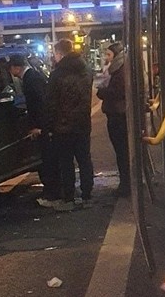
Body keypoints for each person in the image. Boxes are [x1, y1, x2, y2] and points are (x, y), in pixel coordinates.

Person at [44, 37, 94, 212]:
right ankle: (87, 194)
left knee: (66, 163)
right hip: (83, 123)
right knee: (84, 159)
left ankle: (69, 197)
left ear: (59, 53)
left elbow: (51, 103)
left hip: (63, 126)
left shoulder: (57, 74)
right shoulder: (86, 69)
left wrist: (49, 126)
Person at [8, 51, 60, 205]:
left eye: (11, 68)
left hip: (44, 127)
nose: (10, 72)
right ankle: (52, 191)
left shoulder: (31, 80)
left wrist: (41, 128)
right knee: (47, 160)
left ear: (16, 68)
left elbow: (41, 105)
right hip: (45, 126)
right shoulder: (32, 77)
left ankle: (52, 194)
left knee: (48, 161)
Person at [96, 42, 131, 197]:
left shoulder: (119, 70)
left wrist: (102, 92)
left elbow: (117, 91)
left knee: (122, 151)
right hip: (118, 113)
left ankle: (125, 185)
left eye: (109, 54)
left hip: (118, 115)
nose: (106, 57)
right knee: (122, 151)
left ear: (116, 55)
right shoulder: (119, 68)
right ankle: (125, 183)